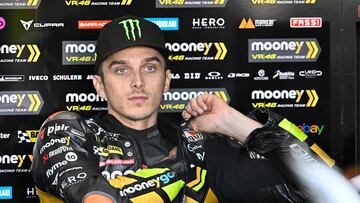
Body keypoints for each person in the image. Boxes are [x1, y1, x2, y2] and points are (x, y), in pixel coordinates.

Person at [31, 15, 334, 203]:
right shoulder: (69, 131)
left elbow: (327, 191)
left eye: (149, 68)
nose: (137, 82)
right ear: (99, 84)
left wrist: (238, 126)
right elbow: (98, 200)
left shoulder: (203, 147)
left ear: (166, 81)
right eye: (121, 70)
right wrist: (180, 165)